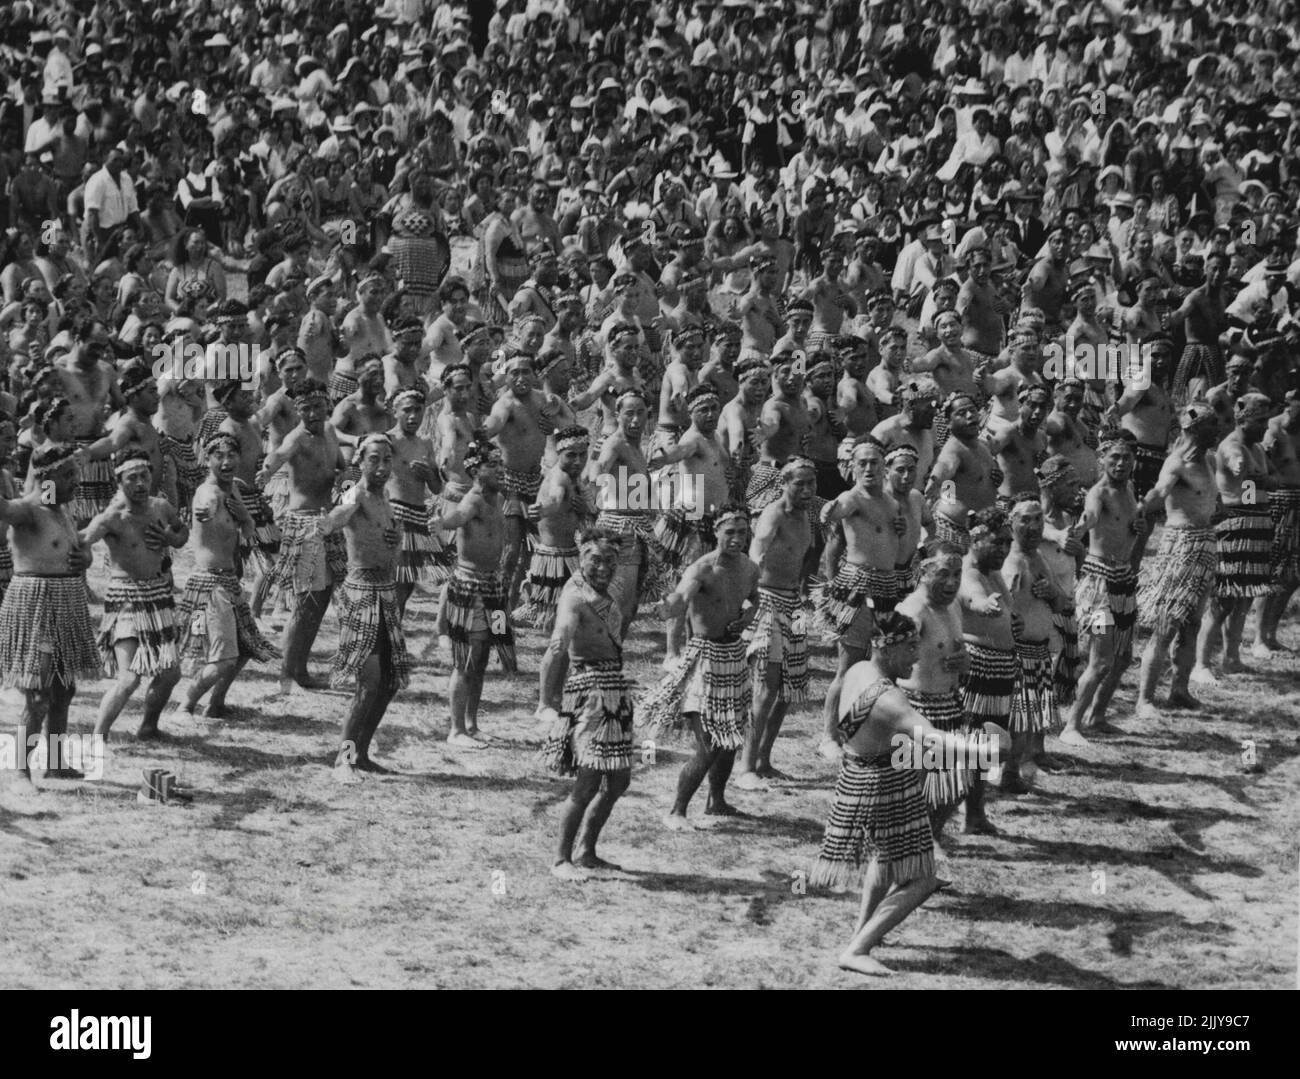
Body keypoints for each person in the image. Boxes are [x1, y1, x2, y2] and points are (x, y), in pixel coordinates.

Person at [810, 610, 1001, 977]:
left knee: (884, 862)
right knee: (924, 877)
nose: (917, 657)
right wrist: (985, 749)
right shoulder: (889, 700)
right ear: (887, 648)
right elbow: (934, 739)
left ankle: (862, 935)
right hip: (881, 786)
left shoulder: (858, 671)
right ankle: (858, 948)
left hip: (862, 777)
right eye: (911, 648)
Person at [643, 507, 759, 830]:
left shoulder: (750, 568)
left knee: (731, 740)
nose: (736, 538)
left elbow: (754, 598)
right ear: (716, 533)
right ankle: (676, 811)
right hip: (705, 659)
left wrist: (747, 617)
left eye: (742, 532)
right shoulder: (701, 569)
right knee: (708, 744)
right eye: (729, 532)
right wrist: (668, 607)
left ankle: (717, 801)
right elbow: (681, 598)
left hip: (734, 657)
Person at [0, 445, 99, 790]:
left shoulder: (62, 511)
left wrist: (84, 558)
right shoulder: (28, 509)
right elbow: (4, 508)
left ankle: (55, 764)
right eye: (68, 474)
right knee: (38, 694)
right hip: (36, 604)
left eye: (75, 473)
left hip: (65, 602)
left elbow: (76, 547)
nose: (76, 481)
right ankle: (21, 771)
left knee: (64, 689)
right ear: (46, 477)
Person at [539, 532, 635, 881]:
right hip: (591, 693)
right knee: (589, 780)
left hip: (615, 689)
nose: (603, 567)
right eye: (595, 559)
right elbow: (556, 647)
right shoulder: (575, 598)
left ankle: (587, 850)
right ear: (581, 557)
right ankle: (561, 859)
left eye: (610, 561)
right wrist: (545, 704)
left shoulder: (610, 592)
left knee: (619, 780)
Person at [322, 433, 410, 783]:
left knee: (388, 682)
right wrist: (329, 522)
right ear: (360, 461)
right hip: (360, 593)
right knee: (369, 682)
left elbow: (390, 546)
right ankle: (343, 760)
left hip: (385, 591)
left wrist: (397, 539)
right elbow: (341, 512)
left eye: (387, 459)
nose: (382, 467)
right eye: (374, 459)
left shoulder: (385, 498)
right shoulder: (355, 492)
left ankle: (362, 752)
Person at [81, 452, 187, 739]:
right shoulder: (111, 518)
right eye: (132, 478)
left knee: (170, 672)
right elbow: (80, 542)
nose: (140, 483)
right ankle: (98, 736)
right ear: (119, 481)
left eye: (145, 476)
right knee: (128, 679)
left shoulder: (161, 507)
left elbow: (182, 532)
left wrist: (170, 539)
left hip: (158, 596)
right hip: (126, 599)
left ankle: (149, 726)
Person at [175, 433, 279, 717]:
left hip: (229, 581)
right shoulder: (206, 494)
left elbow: (247, 531)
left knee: (246, 647)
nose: (226, 461)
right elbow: (203, 508)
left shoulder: (233, 488)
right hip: (209, 583)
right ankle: (185, 705)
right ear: (206, 460)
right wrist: (206, 511)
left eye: (231, 455)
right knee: (223, 659)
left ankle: (216, 704)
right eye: (218, 456)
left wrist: (244, 515)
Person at [257, 378, 347, 689]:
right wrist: (266, 470)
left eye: (317, 406)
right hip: (304, 524)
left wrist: (344, 483)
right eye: (305, 408)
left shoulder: (331, 432)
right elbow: (278, 455)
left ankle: (299, 668)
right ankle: (287, 674)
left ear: (327, 406)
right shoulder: (297, 437)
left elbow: (341, 467)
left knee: (320, 602)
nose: (312, 413)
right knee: (304, 603)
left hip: (327, 521)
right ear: (298, 411)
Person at [816, 438, 904, 758]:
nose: (869, 468)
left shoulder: (892, 503)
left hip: (886, 587)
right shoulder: (852, 497)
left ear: (884, 467)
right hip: (858, 585)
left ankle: (866, 731)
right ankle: (828, 737)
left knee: (880, 666)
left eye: (874, 462)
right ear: (853, 468)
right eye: (862, 463)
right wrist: (828, 511)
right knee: (848, 664)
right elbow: (834, 511)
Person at [1134, 404, 1220, 719]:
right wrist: (1140, 508)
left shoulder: (1209, 460)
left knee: (1193, 623)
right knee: (1166, 625)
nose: (1217, 431)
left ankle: (1180, 690)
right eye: (1211, 426)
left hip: (1205, 545)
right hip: (1180, 547)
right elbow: (1159, 491)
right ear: (1195, 431)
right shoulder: (1176, 462)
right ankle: (1144, 699)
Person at [433, 437, 517, 748]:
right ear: (475, 470)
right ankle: (456, 730)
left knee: (482, 657)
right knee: (465, 660)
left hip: (493, 588)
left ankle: (471, 723)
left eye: (500, 464)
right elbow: (457, 517)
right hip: (470, 590)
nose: (500, 470)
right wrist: (442, 521)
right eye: (492, 465)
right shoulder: (474, 500)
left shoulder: (498, 498)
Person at [737, 457, 815, 790]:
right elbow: (755, 554)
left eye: (812, 483)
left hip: (792, 603)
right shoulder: (773, 514)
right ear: (785, 483)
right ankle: (745, 767)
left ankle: (764, 760)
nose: (807, 489)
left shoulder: (806, 516)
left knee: (789, 688)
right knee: (766, 686)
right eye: (800, 483)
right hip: (766, 600)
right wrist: (746, 600)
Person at [1060, 434, 1141, 744]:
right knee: (1101, 660)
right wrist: (1081, 528)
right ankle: (1071, 726)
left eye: (1126, 458)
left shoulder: (1129, 490)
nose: (1121, 464)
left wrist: (1138, 529)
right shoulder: (1099, 492)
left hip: (1123, 582)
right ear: (1102, 461)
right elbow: (1091, 516)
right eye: (1114, 458)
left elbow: (1125, 530)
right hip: (1098, 586)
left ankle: (1097, 715)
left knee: (1122, 658)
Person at [1192, 393, 1275, 683]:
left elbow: (1258, 484)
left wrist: (1258, 478)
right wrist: (1252, 474)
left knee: (1244, 596)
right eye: (1260, 421)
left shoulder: (1256, 447)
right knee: (1225, 597)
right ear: (1244, 418)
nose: (1266, 426)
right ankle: (1201, 663)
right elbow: (1243, 474)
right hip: (1235, 526)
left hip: (1253, 522)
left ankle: (1231, 656)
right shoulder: (1232, 447)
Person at [896, 547, 971, 842]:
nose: (952, 582)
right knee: (919, 786)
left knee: (957, 783)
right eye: (943, 574)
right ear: (924, 574)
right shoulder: (912, 611)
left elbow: (957, 650)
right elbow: (887, 658)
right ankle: (912, 845)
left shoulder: (951, 607)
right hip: (917, 709)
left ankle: (930, 839)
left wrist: (965, 662)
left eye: (957, 574)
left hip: (949, 705)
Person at [957, 508, 1018, 825]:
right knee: (969, 743)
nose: (1005, 550)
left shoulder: (993, 572)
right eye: (998, 542)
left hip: (999, 669)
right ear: (976, 538)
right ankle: (967, 813)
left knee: (987, 743)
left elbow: (1010, 610)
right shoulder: (966, 574)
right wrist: (984, 605)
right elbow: (971, 599)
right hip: (977, 669)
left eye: (1009, 543)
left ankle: (975, 814)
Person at [519, 427, 591, 633]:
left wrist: (586, 510)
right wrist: (542, 509)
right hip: (554, 559)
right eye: (571, 455)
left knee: (565, 618)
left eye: (582, 454)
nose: (578, 461)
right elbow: (556, 500)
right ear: (559, 453)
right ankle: (500, 629)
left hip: (568, 556)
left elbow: (587, 509)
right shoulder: (559, 478)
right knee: (558, 619)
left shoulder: (574, 476)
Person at [385, 387, 447, 617]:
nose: (413, 417)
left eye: (418, 411)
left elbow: (437, 487)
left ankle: (393, 632)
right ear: (395, 412)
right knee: (396, 578)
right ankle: (388, 636)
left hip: (418, 517)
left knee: (408, 581)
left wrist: (428, 474)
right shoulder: (387, 440)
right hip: (395, 515)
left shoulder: (426, 443)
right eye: (407, 410)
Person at [1254, 390, 1300, 655]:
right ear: (1288, 405)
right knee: (1273, 572)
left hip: (1299, 504)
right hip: (1278, 504)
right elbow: (1255, 471)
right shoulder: (1272, 430)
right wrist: (1248, 506)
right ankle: (1259, 637)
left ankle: (1271, 632)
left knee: (1293, 576)